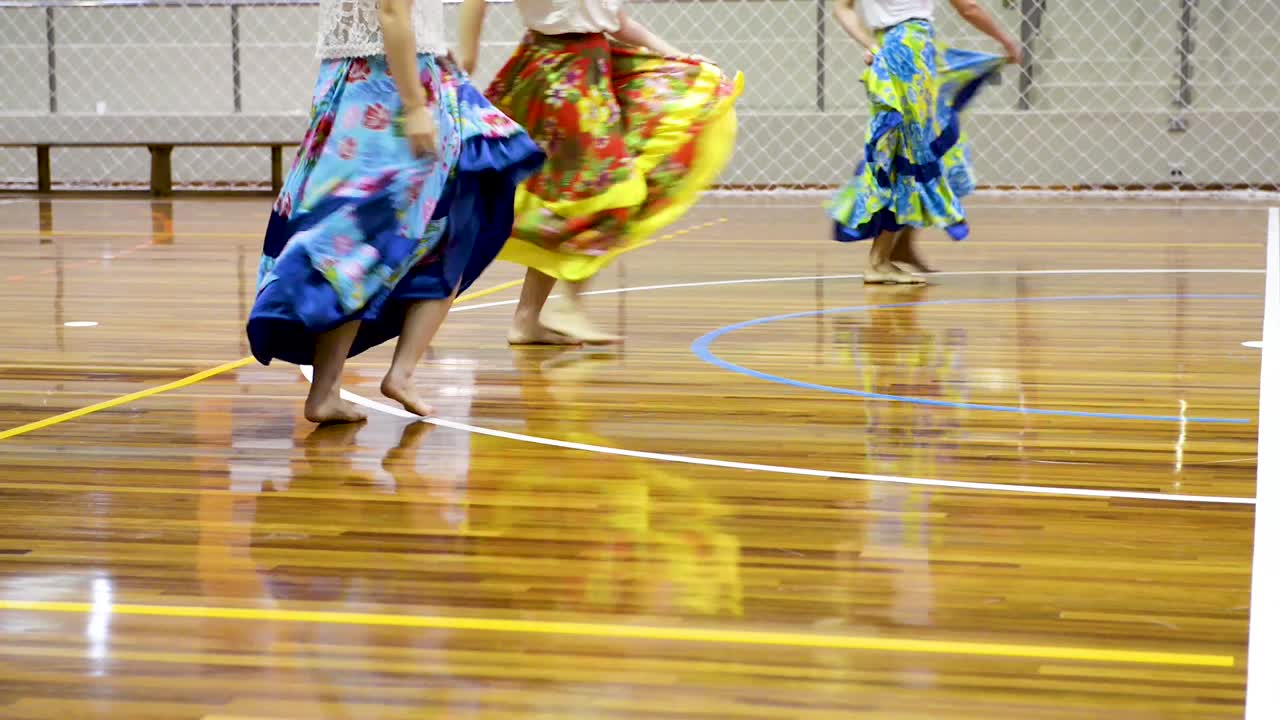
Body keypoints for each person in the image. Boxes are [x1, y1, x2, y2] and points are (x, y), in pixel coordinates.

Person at [246, 0, 545, 423]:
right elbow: (391, 11)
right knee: (366, 241)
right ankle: (365, 381)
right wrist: (415, 106)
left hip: (397, 78)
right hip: (387, 88)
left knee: (389, 237)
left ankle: (345, 386)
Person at [458, 0, 743, 344]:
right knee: (604, 192)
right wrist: (466, 58)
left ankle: (527, 319)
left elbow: (613, 20)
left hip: (591, 66)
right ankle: (568, 307)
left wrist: (677, 56)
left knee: (568, 198)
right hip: (559, 76)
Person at [829, 0, 1020, 283]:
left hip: (892, 50)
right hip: (911, 51)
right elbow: (968, 7)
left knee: (908, 148)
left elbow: (841, 8)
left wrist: (871, 45)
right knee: (909, 153)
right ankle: (878, 261)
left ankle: (898, 248)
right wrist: (1007, 41)